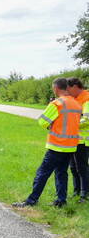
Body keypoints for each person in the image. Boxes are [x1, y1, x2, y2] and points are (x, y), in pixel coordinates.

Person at [13, 78, 82, 208]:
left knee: (42, 173)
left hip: (56, 146)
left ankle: (31, 201)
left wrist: (50, 125)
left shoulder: (57, 103)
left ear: (56, 88)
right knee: (62, 173)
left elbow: (43, 122)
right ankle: (61, 201)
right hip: (70, 146)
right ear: (66, 87)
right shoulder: (76, 104)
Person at [66, 77, 89, 202]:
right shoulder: (75, 99)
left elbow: (87, 119)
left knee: (82, 168)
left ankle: (84, 194)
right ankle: (77, 191)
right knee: (73, 168)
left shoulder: (87, 99)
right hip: (73, 140)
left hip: (83, 141)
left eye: (69, 89)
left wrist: (70, 124)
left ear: (75, 86)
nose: (67, 92)